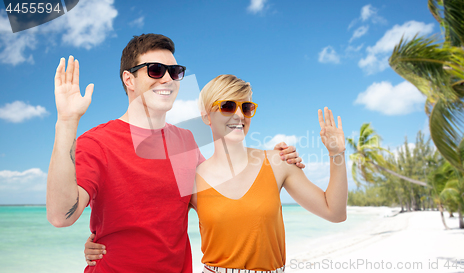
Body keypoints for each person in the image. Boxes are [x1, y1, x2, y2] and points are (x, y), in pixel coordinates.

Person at [46, 34, 302, 273]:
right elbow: (60, 216)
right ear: (129, 79)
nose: (167, 79)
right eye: (156, 70)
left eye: (175, 72)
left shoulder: (187, 141)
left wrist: (270, 160)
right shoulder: (97, 142)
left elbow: (221, 195)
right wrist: (67, 122)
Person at [84, 74, 348, 272]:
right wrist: (99, 243)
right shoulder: (191, 177)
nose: (239, 115)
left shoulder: (278, 162)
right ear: (207, 116)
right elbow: (150, 226)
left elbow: (334, 212)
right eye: (227, 106)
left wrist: (336, 154)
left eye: (246, 108)